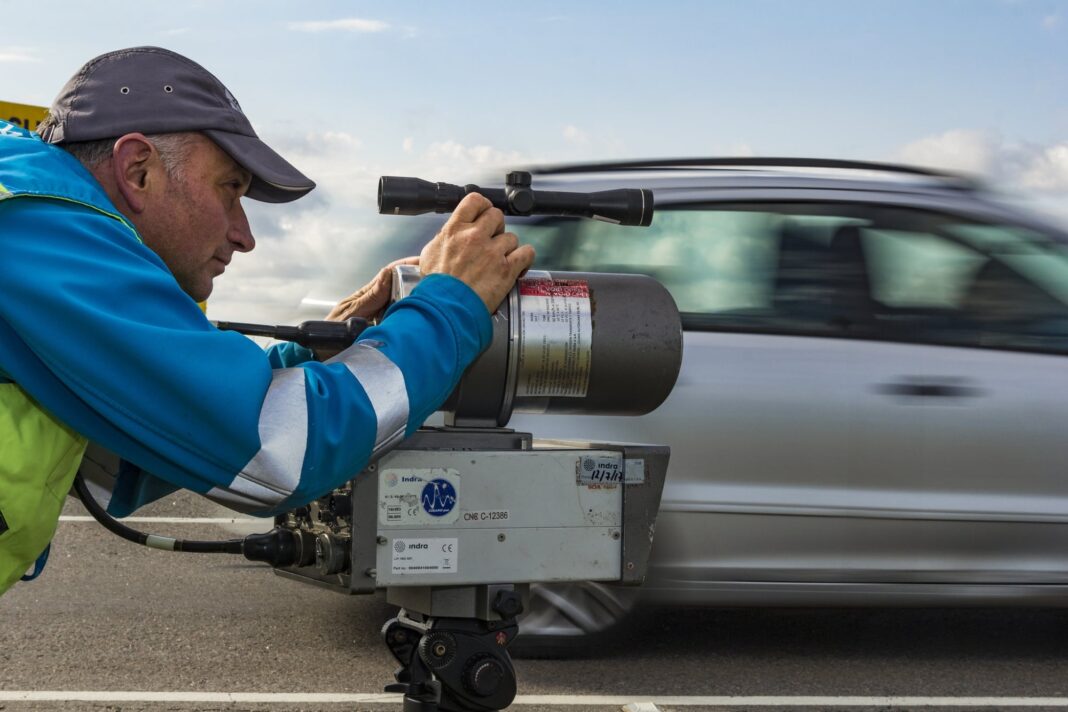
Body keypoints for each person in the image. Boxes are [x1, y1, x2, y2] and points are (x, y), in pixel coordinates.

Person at [0, 46, 534, 595]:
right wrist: (449, 306)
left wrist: (322, 350)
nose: (245, 235)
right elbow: (278, 451)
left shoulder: (30, 215)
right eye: (229, 189)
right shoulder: (34, 224)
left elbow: (114, 464)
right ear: (138, 171)